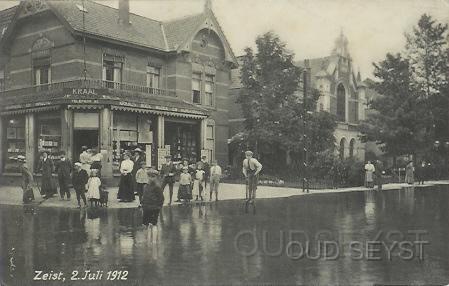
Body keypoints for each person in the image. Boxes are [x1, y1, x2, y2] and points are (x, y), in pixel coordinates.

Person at [142, 168, 164, 241]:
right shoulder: (146, 186)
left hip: (154, 208)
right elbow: (144, 196)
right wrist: (142, 204)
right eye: (149, 176)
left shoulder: (157, 187)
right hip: (146, 207)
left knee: (154, 224)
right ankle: (146, 240)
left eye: (153, 177)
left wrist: (158, 206)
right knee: (145, 224)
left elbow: (161, 198)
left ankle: (154, 241)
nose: (151, 178)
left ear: (156, 177)